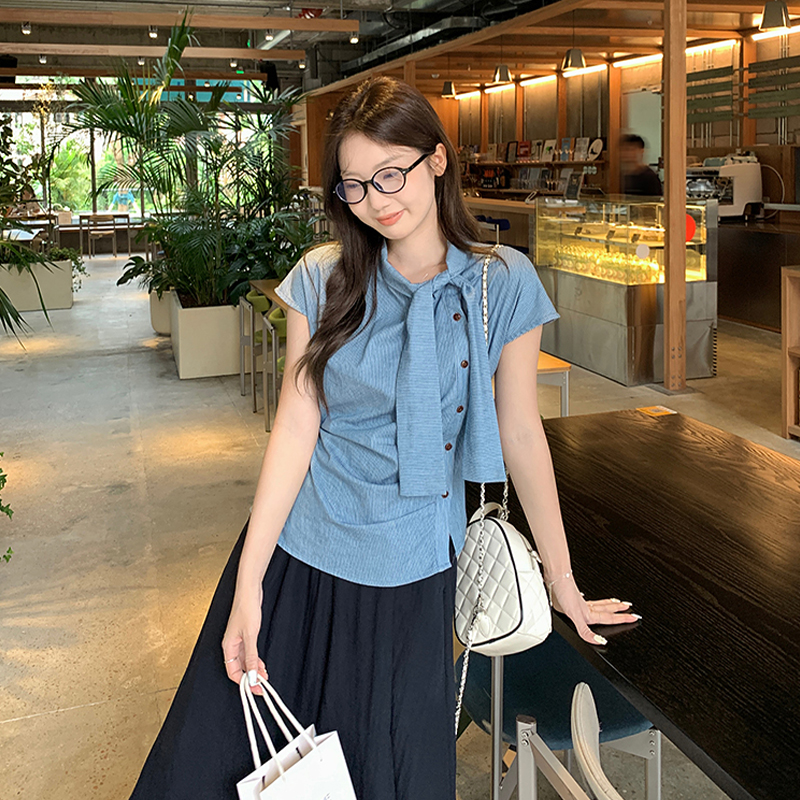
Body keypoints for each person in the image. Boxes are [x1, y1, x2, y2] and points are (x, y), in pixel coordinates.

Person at [127, 76, 638, 800]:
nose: (376, 199)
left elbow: (522, 434)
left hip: (414, 570)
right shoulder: (323, 278)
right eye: (355, 185)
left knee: (390, 771)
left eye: (391, 173)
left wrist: (563, 584)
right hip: (302, 555)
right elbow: (296, 425)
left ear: (437, 159)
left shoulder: (500, 282)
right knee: (231, 766)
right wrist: (249, 585)